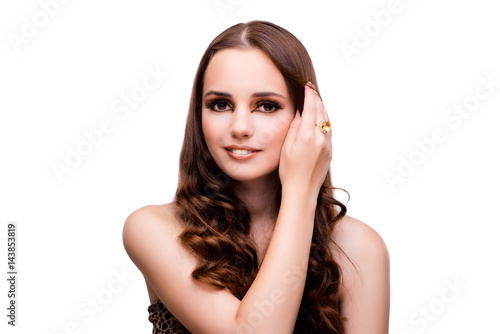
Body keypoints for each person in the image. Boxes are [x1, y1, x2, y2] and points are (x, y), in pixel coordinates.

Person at [122, 20, 390, 334]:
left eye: (265, 106)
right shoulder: (155, 229)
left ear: (306, 116)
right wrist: (301, 188)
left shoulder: (359, 248)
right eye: (220, 105)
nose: (240, 127)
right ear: (199, 115)